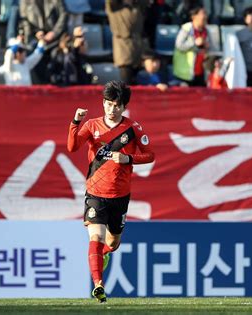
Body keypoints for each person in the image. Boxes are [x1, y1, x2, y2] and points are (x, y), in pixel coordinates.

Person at [67, 80, 155, 303]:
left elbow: (150, 155)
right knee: (95, 236)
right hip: (96, 193)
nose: (112, 109)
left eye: (117, 105)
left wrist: (128, 158)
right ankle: (98, 285)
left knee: (113, 243)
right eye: (108, 104)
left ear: (123, 107)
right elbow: (72, 146)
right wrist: (76, 121)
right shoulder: (92, 126)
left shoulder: (133, 128)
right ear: (103, 103)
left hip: (120, 196)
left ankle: (104, 254)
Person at [106, 0, 149, 85]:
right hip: (123, 49)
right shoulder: (114, 6)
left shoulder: (137, 5)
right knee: (126, 83)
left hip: (139, 48)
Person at [173, 5, 212, 87]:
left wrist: (207, 47)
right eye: (202, 13)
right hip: (185, 73)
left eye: (205, 13)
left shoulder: (206, 31)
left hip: (201, 72)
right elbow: (179, 45)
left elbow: (209, 48)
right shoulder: (186, 29)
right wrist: (194, 42)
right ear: (194, 16)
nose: (205, 16)